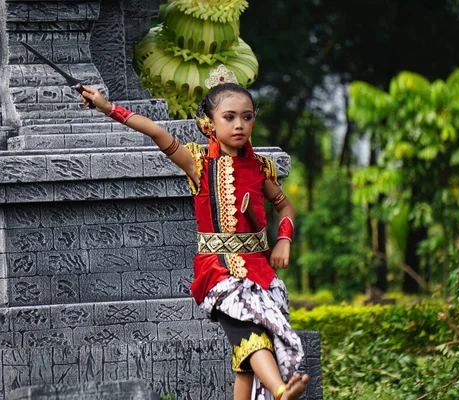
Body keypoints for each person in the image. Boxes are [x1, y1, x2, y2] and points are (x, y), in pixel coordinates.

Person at [79, 64, 310, 400]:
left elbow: (285, 207)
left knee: (244, 360)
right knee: (252, 336)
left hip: (260, 272)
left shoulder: (261, 168)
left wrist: (284, 239)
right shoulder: (198, 163)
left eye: (246, 117)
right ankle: (278, 390)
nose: (239, 125)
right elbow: (156, 133)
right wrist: (107, 107)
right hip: (219, 273)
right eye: (229, 117)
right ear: (209, 123)